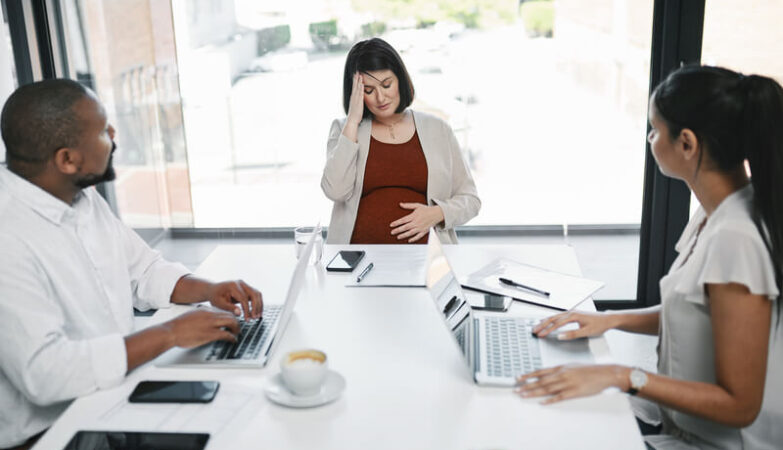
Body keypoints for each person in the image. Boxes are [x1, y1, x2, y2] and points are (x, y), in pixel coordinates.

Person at [517, 65, 782, 449]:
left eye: (655, 129)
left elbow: (740, 406)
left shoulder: (736, 237)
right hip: (679, 423)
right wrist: (608, 320)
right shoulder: (720, 212)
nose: (649, 138)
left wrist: (624, 376)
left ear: (687, 143)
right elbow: (699, 311)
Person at [0, 79, 264, 449]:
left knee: (248, 422)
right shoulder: (8, 238)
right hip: (52, 434)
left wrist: (209, 289)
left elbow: (143, 271)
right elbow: (47, 373)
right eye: (102, 130)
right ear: (67, 159)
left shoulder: (78, 196)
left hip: (112, 399)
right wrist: (171, 334)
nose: (113, 135)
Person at [321, 38, 480, 244]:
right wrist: (352, 121)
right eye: (368, 90)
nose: (381, 97)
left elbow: (471, 200)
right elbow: (335, 191)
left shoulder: (438, 129)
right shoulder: (345, 130)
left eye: (387, 84)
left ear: (400, 79)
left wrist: (438, 213)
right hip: (358, 263)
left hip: (430, 263)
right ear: (355, 94)